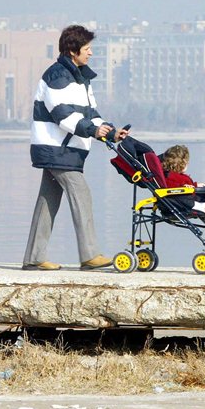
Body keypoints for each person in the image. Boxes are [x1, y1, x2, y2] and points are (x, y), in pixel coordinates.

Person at [23, 24, 130, 271]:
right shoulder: (57, 76)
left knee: (47, 200)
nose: (91, 53)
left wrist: (111, 132)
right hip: (57, 149)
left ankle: (34, 258)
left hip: (64, 150)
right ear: (73, 51)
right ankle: (90, 256)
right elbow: (62, 114)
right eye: (87, 48)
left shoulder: (81, 78)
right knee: (81, 194)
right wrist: (92, 130)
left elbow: (90, 113)